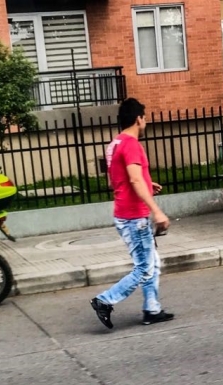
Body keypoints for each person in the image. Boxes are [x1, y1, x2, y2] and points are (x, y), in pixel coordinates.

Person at [90, 98, 174, 329]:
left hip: (124, 213)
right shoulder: (131, 144)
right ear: (138, 119)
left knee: (151, 262)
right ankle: (104, 301)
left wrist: (148, 183)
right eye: (145, 117)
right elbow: (134, 178)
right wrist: (157, 211)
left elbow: (115, 181)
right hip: (134, 217)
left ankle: (151, 309)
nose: (145, 121)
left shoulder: (114, 144)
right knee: (144, 267)